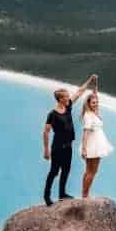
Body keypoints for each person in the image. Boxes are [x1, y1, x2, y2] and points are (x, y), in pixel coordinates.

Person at [43, 74, 97, 205]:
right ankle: (47, 196)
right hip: (57, 147)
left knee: (66, 170)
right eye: (66, 96)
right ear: (60, 99)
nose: (69, 97)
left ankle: (62, 194)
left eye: (68, 96)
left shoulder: (67, 106)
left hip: (68, 145)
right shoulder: (52, 114)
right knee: (54, 172)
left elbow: (79, 92)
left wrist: (89, 81)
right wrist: (46, 150)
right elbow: (46, 132)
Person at [80, 89, 113, 198]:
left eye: (96, 102)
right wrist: (84, 149)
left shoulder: (93, 112)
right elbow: (85, 133)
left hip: (95, 143)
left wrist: (95, 85)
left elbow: (95, 96)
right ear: (88, 104)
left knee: (88, 171)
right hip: (94, 145)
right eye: (93, 103)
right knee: (92, 172)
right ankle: (85, 194)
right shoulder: (89, 116)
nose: (96, 104)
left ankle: (84, 193)